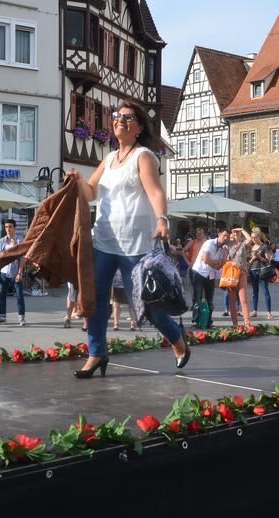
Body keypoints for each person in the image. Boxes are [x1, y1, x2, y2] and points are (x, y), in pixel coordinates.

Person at [69, 102, 189, 378]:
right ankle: (97, 353)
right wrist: (76, 181)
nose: (120, 121)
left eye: (127, 118)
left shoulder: (144, 156)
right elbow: (90, 193)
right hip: (103, 241)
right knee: (95, 302)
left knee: (147, 305)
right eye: (117, 117)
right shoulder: (109, 159)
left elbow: (156, 192)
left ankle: (178, 339)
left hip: (136, 244)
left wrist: (162, 219)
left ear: (139, 128)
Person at [190, 228, 229, 327]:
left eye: (228, 237)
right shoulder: (209, 243)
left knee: (210, 300)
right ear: (219, 234)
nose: (226, 238)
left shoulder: (223, 249)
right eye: (224, 235)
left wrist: (224, 254)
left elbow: (221, 265)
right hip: (199, 272)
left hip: (210, 275)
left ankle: (208, 321)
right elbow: (205, 259)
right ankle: (196, 320)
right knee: (198, 299)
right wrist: (215, 263)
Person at [0, 219, 26, 326]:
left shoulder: (20, 241)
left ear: (14, 228)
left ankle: (21, 318)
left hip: (15, 272)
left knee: (19, 295)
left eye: (10, 227)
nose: (8, 229)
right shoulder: (2, 241)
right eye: (6, 227)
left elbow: (23, 258)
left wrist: (20, 272)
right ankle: (2, 317)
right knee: (2, 295)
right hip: (4, 271)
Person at [249, 228, 273, 319]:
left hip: (262, 271)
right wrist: (252, 259)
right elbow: (249, 262)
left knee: (265, 291)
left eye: (255, 237)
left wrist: (259, 256)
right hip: (253, 271)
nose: (253, 239)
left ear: (259, 236)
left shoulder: (264, 246)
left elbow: (268, 261)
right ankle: (254, 311)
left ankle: (269, 312)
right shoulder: (251, 247)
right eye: (252, 238)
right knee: (255, 292)